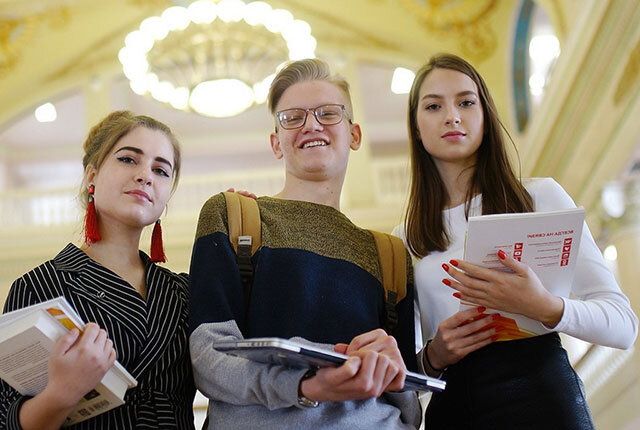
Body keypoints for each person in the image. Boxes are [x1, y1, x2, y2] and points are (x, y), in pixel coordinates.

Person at [393, 53, 639, 429]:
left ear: (486, 116)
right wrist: (433, 356)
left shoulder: (539, 197)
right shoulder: (404, 238)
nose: (452, 116)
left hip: (541, 395)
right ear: (415, 127)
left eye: (465, 102)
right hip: (454, 409)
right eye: (433, 106)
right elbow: (400, 375)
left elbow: (623, 325)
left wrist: (545, 307)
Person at [189, 58, 421, 429]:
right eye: (292, 118)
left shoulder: (389, 255)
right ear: (276, 143)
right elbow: (208, 357)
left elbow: (407, 401)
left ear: (354, 134)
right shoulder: (232, 216)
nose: (311, 125)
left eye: (328, 113)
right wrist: (304, 386)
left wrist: (392, 369)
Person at [0, 111, 196, 429]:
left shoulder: (183, 292)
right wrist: (62, 392)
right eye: (128, 160)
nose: (145, 176)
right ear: (92, 176)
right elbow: (6, 417)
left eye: (161, 170)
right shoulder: (40, 286)